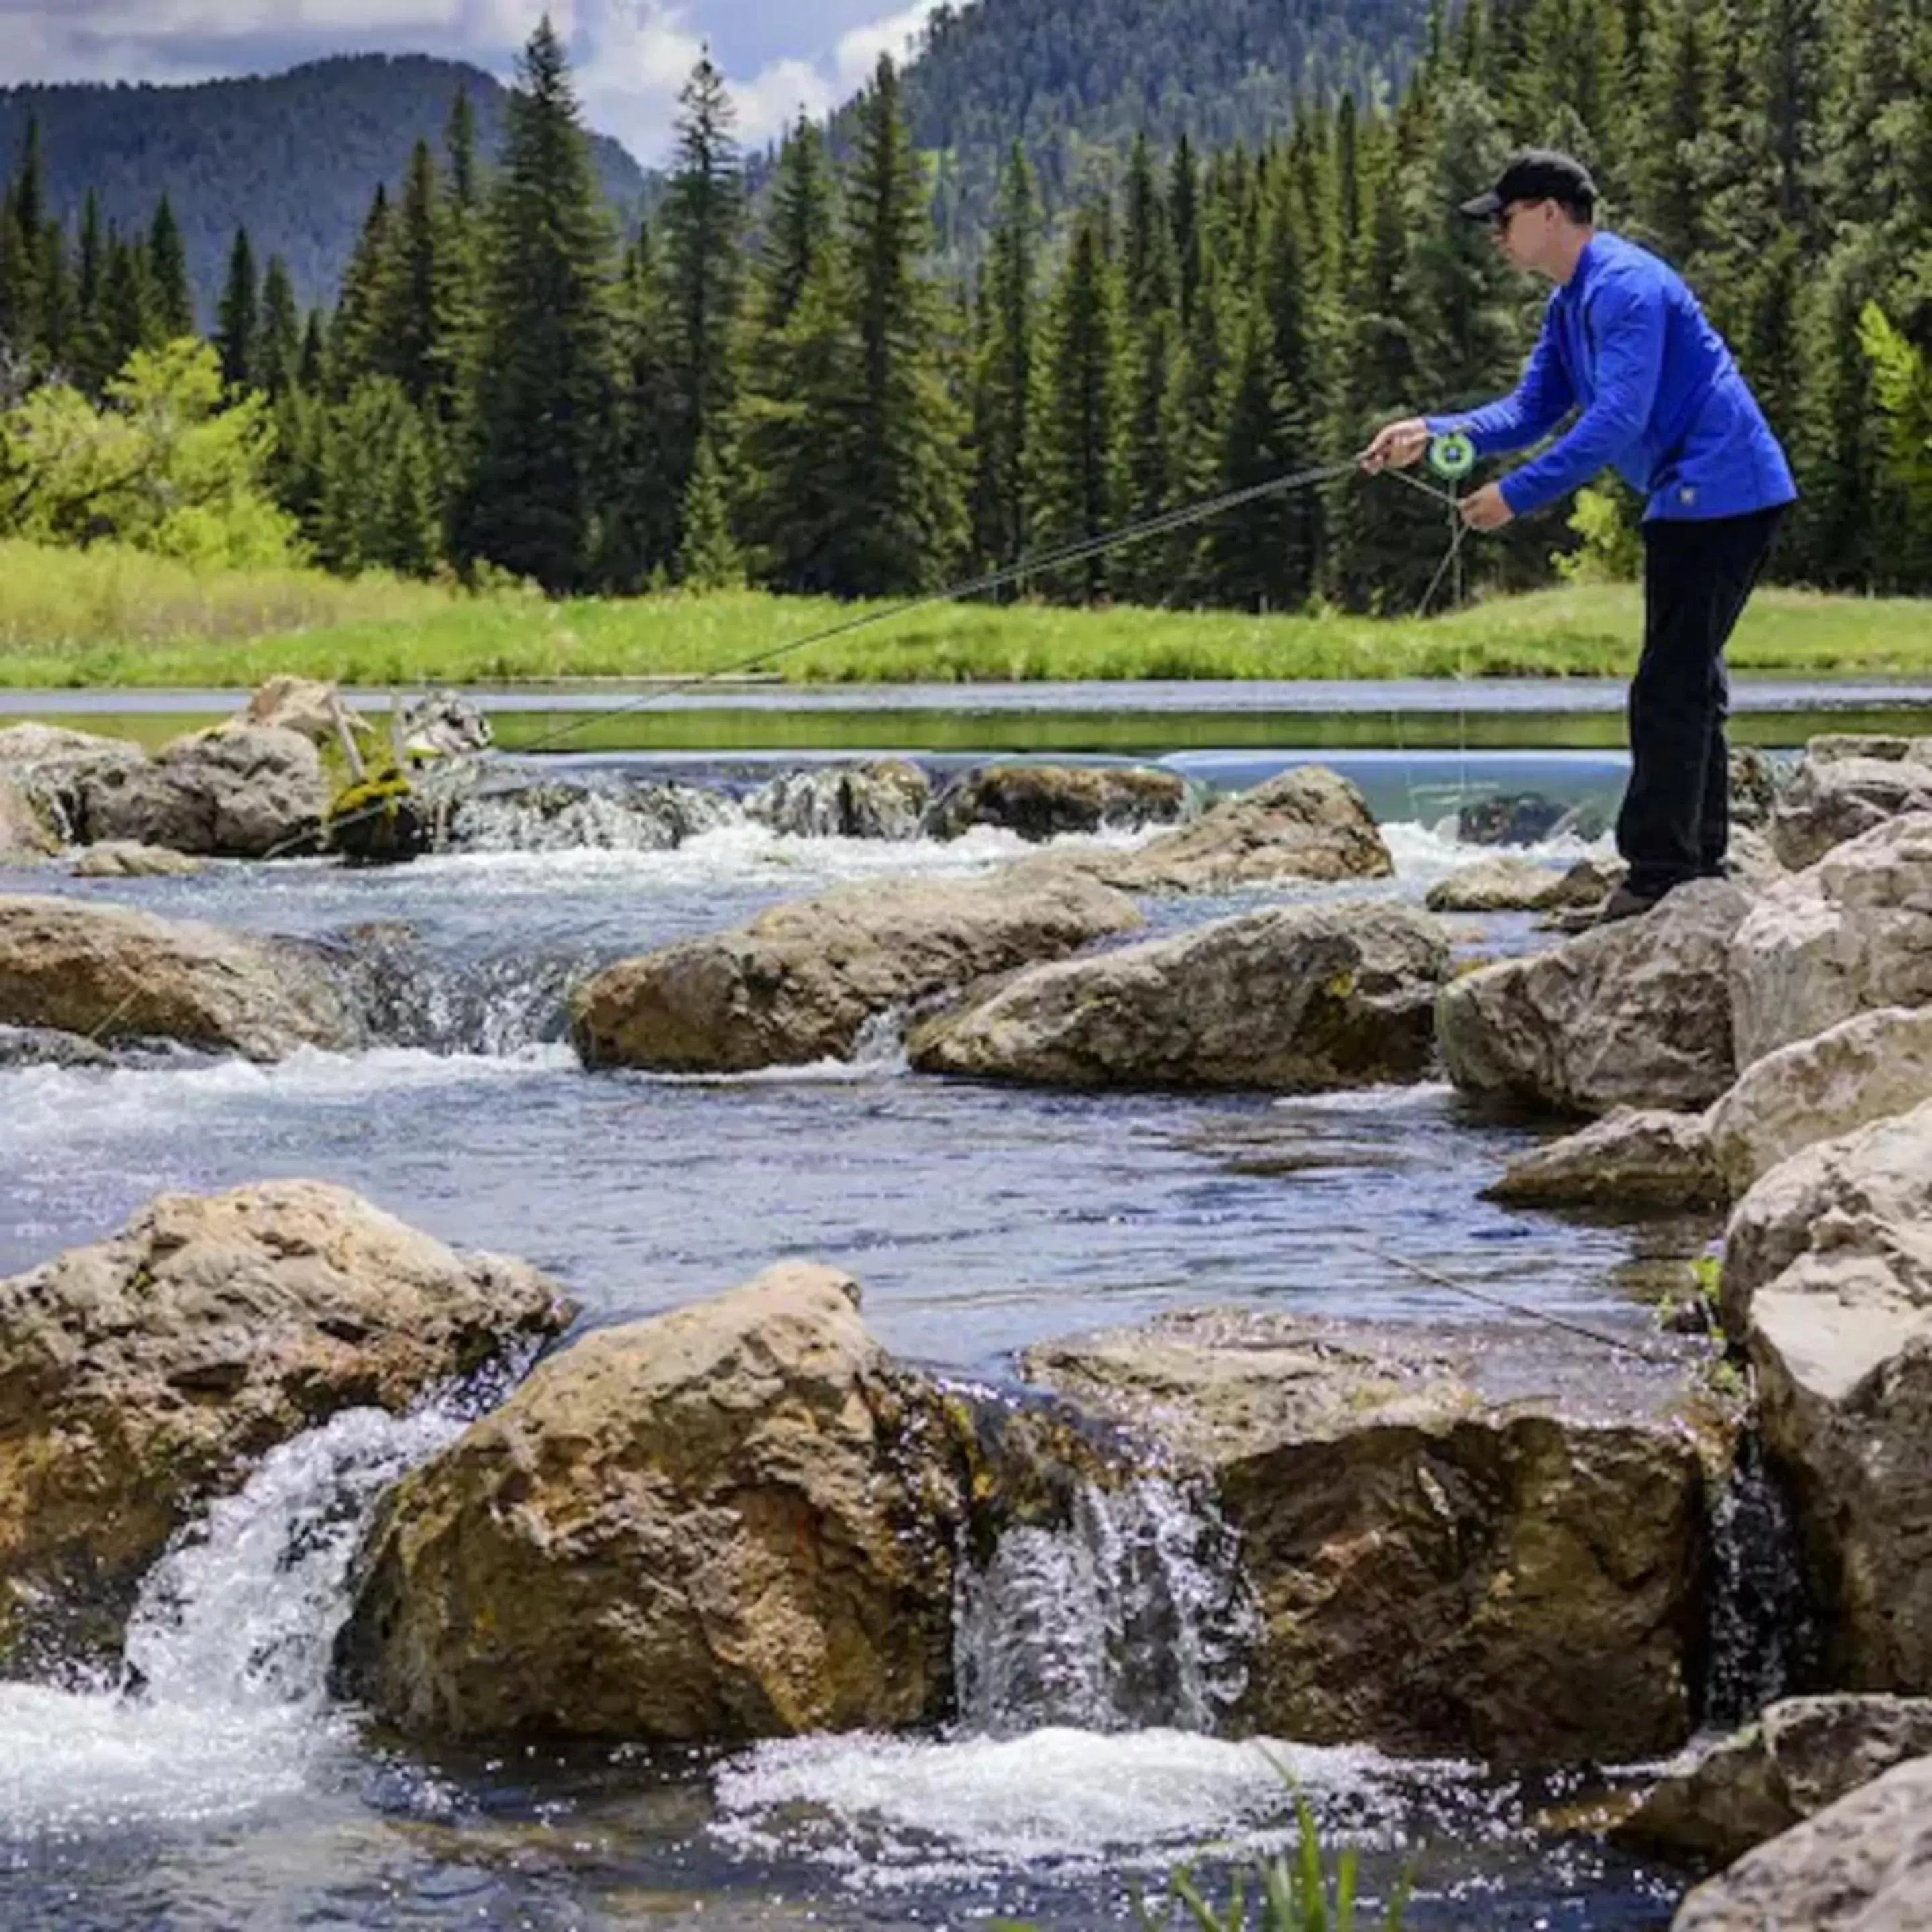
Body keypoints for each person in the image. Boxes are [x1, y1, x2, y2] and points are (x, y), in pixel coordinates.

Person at [1361, 150, 1796, 922]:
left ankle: (1659, 876)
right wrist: (1432, 430)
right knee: (1689, 680)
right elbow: (1530, 410)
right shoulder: (1570, 305)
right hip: (1692, 499)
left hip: (1725, 494)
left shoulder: (1624, 288)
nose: (1496, 234)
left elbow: (1615, 420)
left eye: (1505, 217)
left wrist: (1516, 495)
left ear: (1551, 213)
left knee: (1669, 684)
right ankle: (1696, 863)